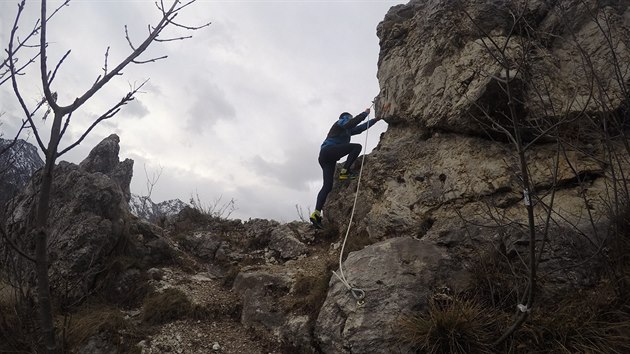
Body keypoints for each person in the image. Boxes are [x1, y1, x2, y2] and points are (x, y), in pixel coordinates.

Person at [309, 106, 383, 228]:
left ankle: (316, 213)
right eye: (350, 118)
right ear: (346, 117)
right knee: (356, 147)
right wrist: (364, 113)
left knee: (327, 186)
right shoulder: (341, 122)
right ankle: (345, 171)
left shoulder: (346, 130)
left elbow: (359, 129)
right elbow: (350, 124)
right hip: (329, 151)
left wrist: (375, 119)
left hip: (326, 157)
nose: (351, 119)